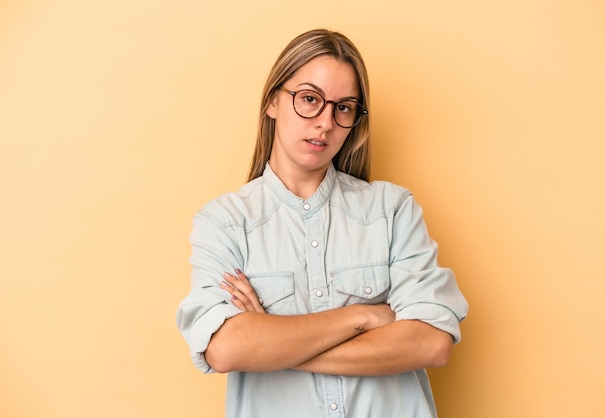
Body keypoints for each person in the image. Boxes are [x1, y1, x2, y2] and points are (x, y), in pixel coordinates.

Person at [176, 28, 469, 418]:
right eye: (309, 99)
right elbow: (226, 347)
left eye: (343, 107)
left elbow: (430, 343)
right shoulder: (226, 222)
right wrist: (364, 315)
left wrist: (274, 341)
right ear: (272, 103)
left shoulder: (392, 209)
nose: (325, 122)